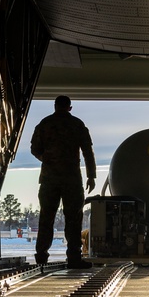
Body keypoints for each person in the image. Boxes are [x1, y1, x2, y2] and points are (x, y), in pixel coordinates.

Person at [30, 95, 97, 268]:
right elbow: (87, 152)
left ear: (55, 106)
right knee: (73, 218)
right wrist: (91, 176)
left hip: (49, 178)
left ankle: (41, 258)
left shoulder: (45, 124)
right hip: (71, 179)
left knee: (46, 218)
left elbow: (34, 149)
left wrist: (47, 159)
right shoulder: (77, 125)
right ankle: (74, 258)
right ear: (69, 107)